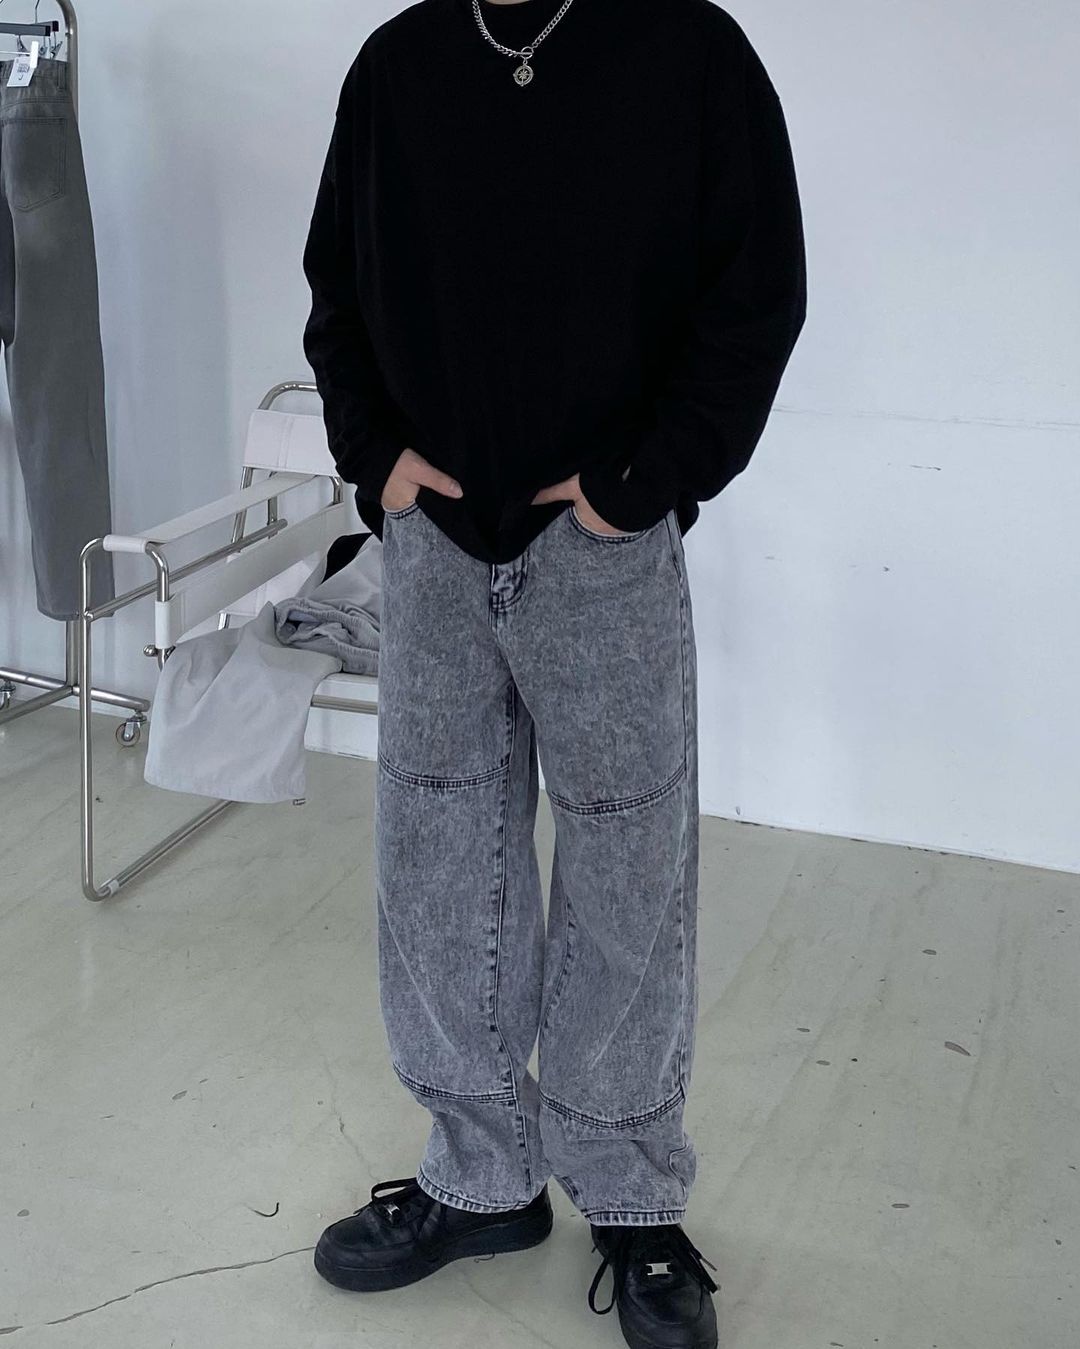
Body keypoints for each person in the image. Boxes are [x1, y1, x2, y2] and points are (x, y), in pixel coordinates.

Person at [301, 0, 806, 1343]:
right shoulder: (398, 68)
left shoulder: (688, 53)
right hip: (433, 543)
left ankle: (630, 1195)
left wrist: (646, 481)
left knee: (629, 860)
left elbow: (757, 290)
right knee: (435, 854)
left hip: (606, 547)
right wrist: (375, 459)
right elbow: (335, 290)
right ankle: (480, 1174)